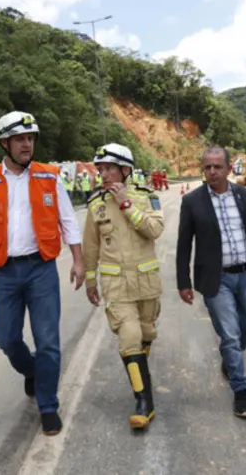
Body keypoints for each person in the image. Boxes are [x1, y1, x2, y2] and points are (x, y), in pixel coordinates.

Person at [0, 111, 85, 436]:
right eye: (20, 139)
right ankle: (32, 371)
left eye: (30, 138)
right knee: (6, 339)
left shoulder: (50, 177)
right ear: (4, 143)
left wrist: (78, 260)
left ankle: (48, 406)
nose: (26, 144)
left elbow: (68, 220)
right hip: (4, 273)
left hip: (41, 269)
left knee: (48, 342)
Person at [176, 146, 246, 419]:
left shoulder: (244, 196)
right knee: (230, 335)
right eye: (207, 167)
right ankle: (241, 389)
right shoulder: (192, 201)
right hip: (216, 279)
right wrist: (183, 281)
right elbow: (184, 244)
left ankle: (230, 356)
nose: (212, 172)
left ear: (228, 167)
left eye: (217, 166)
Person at [82, 143, 165, 429]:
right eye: (101, 169)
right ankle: (144, 402)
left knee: (146, 333)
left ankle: (141, 372)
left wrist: (127, 205)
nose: (103, 174)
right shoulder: (96, 204)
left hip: (146, 282)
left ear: (125, 171)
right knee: (129, 336)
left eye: (109, 169)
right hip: (116, 285)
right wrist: (90, 280)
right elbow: (90, 247)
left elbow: (154, 230)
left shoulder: (147, 197)